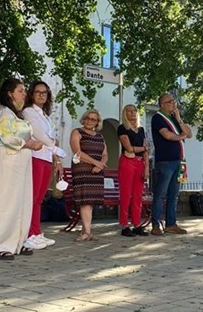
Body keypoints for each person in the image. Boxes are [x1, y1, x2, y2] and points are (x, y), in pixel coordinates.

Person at [0, 78, 43, 259]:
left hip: (21, 160)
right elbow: (8, 137)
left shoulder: (17, 115)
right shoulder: (3, 112)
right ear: (9, 93)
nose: (24, 93)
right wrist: (29, 144)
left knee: (22, 200)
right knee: (6, 201)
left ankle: (18, 242)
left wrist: (31, 144)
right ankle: (0, 245)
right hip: (8, 158)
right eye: (20, 90)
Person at [22, 80, 66, 249]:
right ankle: (30, 233)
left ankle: (36, 231)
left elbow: (51, 137)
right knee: (32, 197)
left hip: (46, 157)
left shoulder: (45, 115)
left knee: (39, 198)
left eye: (44, 92)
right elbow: (40, 134)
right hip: (35, 156)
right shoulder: (29, 111)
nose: (41, 95)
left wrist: (56, 158)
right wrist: (56, 148)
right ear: (31, 94)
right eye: (37, 92)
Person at [150, 93, 193, 235]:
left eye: (173, 101)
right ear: (162, 104)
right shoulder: (158, 118)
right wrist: (181, 136)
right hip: (166, 161)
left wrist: (179, 119)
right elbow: (167, 135)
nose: (173, 103)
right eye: (169, 101)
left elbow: (189, 133)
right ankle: (155, 224)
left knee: (173, 195)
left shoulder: (174, 118)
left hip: (179, 161)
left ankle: (171, 223)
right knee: (160, 194)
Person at [70, 109, 108, 241]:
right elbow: (77, 152)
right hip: (83, 170)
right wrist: (95, 163)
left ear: (98, 122)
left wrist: (101, 164)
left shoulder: (100, 137)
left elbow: (105, 154)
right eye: (88, 118)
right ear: (83, 118)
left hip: (97, 172)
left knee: (90, 202)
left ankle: (87, 231)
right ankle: (86, 232)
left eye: (94, 119)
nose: (90, 121)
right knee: (85, 202)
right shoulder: (77, 132)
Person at [117, 104, 150, 236]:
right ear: (125, 113)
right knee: (126, 194)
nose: (132, 113)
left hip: (139, 162)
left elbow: (145, 150)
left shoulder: (141, 130)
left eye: (134, 110)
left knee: (137, 195)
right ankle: (125, 225)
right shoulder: (122, 128)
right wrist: (144, 148)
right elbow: (129, 148)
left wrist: (147, 167)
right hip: (127, 162)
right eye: (129, 111)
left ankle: (137, 224)